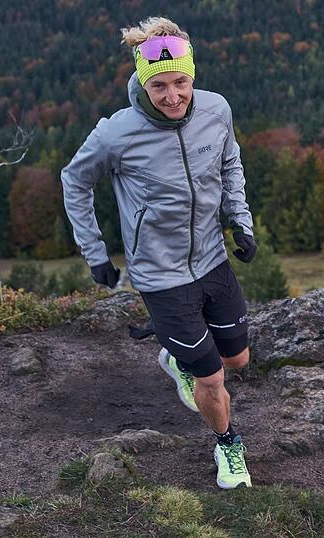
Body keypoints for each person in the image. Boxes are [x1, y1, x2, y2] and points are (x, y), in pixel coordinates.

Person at [61, 16, 256, 489]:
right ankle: (228, 445)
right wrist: (95, 252)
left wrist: (240, 219)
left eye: (180, 83)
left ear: (193, 77)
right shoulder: (117, 133)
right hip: (160, 275)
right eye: (159, 86)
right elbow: (74, 180)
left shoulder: (217, 110)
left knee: (238, 361)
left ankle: (173, 353)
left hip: (212, 259)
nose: (172, 96)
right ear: (143, 84)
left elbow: (229, 161)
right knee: (212, 378)